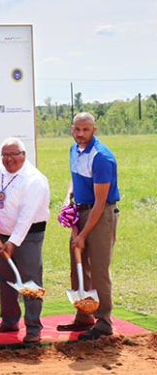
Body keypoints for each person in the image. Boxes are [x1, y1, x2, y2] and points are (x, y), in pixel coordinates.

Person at [0, 138, 51, 344]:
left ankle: (34, 327)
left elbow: (26, 217)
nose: (9, 159)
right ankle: (9, 321)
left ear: (24, 155)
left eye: (14, 154)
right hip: (0, 234)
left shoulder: (34, 179)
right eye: (5, 155)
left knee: (30, 279)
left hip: (28, 236)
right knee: (5, 276)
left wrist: (13, 242)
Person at [59, 112, 120, 341]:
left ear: (95, 129)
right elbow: (74, 179)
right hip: (80, 210)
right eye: (77, 129)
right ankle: (84, 316)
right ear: (71, 129)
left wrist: (83, 233)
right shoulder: (74, 149)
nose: (81, 134)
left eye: (86, 130)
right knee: (77, 265)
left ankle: (104, 321)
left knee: (98, 269)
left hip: (100, 214)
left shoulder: (102, 157)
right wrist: (68, 201)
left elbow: (101, 201)